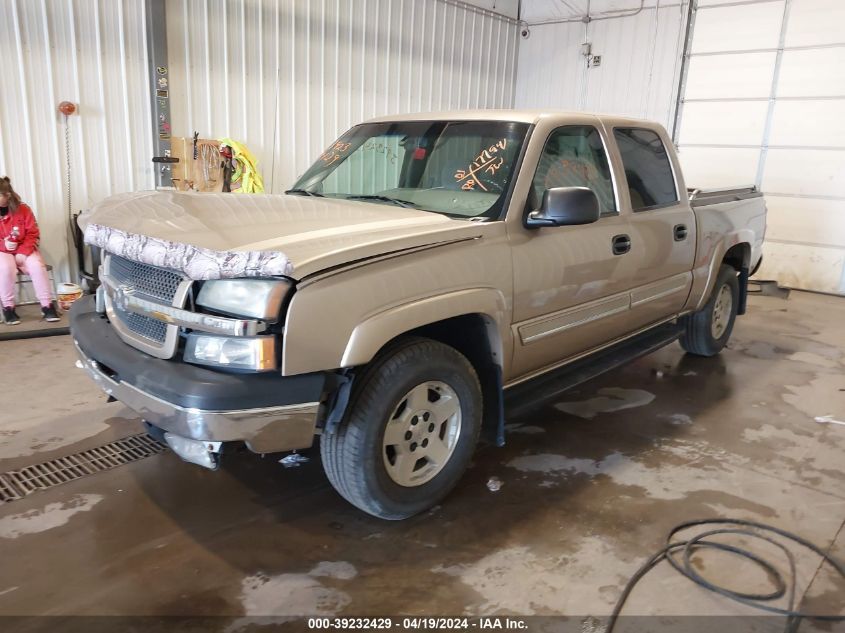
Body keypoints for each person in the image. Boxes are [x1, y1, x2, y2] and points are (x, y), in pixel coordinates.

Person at [0, 177, 59, 324]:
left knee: (37, 266)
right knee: (6, 268)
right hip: (2, 251)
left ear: (7, 195)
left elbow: (33, 233)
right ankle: (8, 307)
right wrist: (4, 245)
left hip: (24, 248)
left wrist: (23, 251)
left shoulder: (23, 209)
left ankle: (47, 305)